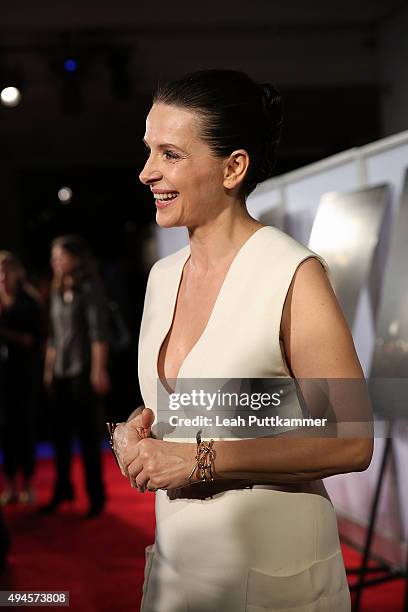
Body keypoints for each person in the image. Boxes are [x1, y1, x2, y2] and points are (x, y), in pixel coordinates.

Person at [113, 70, 373, 611]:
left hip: (273, 579)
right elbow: (229, 403)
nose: (146, 172)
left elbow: (350, 439)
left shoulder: (292, 273)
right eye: (148, 151)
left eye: (170, 154)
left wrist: (200, 461)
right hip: (178, 570)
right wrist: (145, 427)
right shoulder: (163, 276)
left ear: (234, 167)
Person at [42, 235, 110, 518]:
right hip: (60, 373)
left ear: (76, 258)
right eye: (53, 257)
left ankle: (96, 496)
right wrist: (48, 370)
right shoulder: (56, 290)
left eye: (60, 256)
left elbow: (98, 334)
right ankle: (62, 489)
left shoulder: (89, 289)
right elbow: (53, 337)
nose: (55, 262)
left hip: (82, 372)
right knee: (59, 436)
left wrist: (98, 369)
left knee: (86, 437)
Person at [0, 251, 45, 505]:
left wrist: (9, 335)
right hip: (3, 376)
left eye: (7, 269)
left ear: (17, 271)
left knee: (25, 428)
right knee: (6, 431)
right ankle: (10, 485)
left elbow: (35, 339)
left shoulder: (28, 300)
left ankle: (28, 484)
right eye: (0, 271)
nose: (3, 275)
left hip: (24, 374)